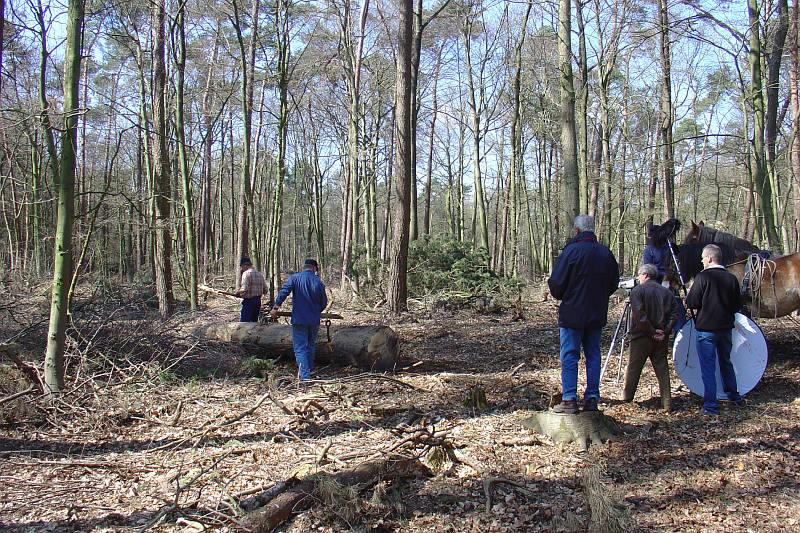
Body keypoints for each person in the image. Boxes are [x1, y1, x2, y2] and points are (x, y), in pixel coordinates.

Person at [548, 214, 619, 414]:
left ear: (577, 231)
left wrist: (566, 295)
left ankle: (569, 398)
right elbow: (613, 282)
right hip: (596, 313)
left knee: (570, 355)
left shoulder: (570, 252)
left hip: (572, 314)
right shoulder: (605, 253)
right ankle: (591, 399)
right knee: (593, 355)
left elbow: (556, 284)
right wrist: (600, 296)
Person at [685, 244, 743, 415]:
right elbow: (737, 305)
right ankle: (734, 396)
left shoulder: (703, 278)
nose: (702, 260)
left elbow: (692, 302)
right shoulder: (731, 279)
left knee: (708, 368)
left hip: (707, 330)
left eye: (703, 257)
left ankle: (711, 405)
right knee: (726, 362)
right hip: (725, 330)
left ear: (709, 258)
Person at [622, 263, 680, 411]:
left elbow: (639, 315)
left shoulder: (638, 291)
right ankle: (667, 403)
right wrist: (665, 331)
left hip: (642, 336)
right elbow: (675, 314)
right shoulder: (666, 292)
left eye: (640, 275)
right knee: (662, 368)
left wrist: (651, 331)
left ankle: (627, 400)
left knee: (634, 368)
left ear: (646, 275)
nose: (638, 278)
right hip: (661, 336)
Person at [270, 259, 328, 380]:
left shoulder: (294, 278)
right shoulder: (318, 282)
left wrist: (276, 307)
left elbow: (284, 292)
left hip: (299, 318)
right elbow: (324, 303)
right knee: (310, 345)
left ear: (305, 267)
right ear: (314, 268)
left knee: (300, 347)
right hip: (313, 319)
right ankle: (309, 369)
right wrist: (316, 311)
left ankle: (305, 376)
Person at [236, 257, 265, 322]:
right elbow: (265, 289)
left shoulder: (246, 274)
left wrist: (238, 293)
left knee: (244, 323)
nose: (242, 269)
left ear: (245, 265)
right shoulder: (259, 274)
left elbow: (244, 288)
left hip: (249, 301)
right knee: (254, 323)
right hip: (258, 301)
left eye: (242, 266)